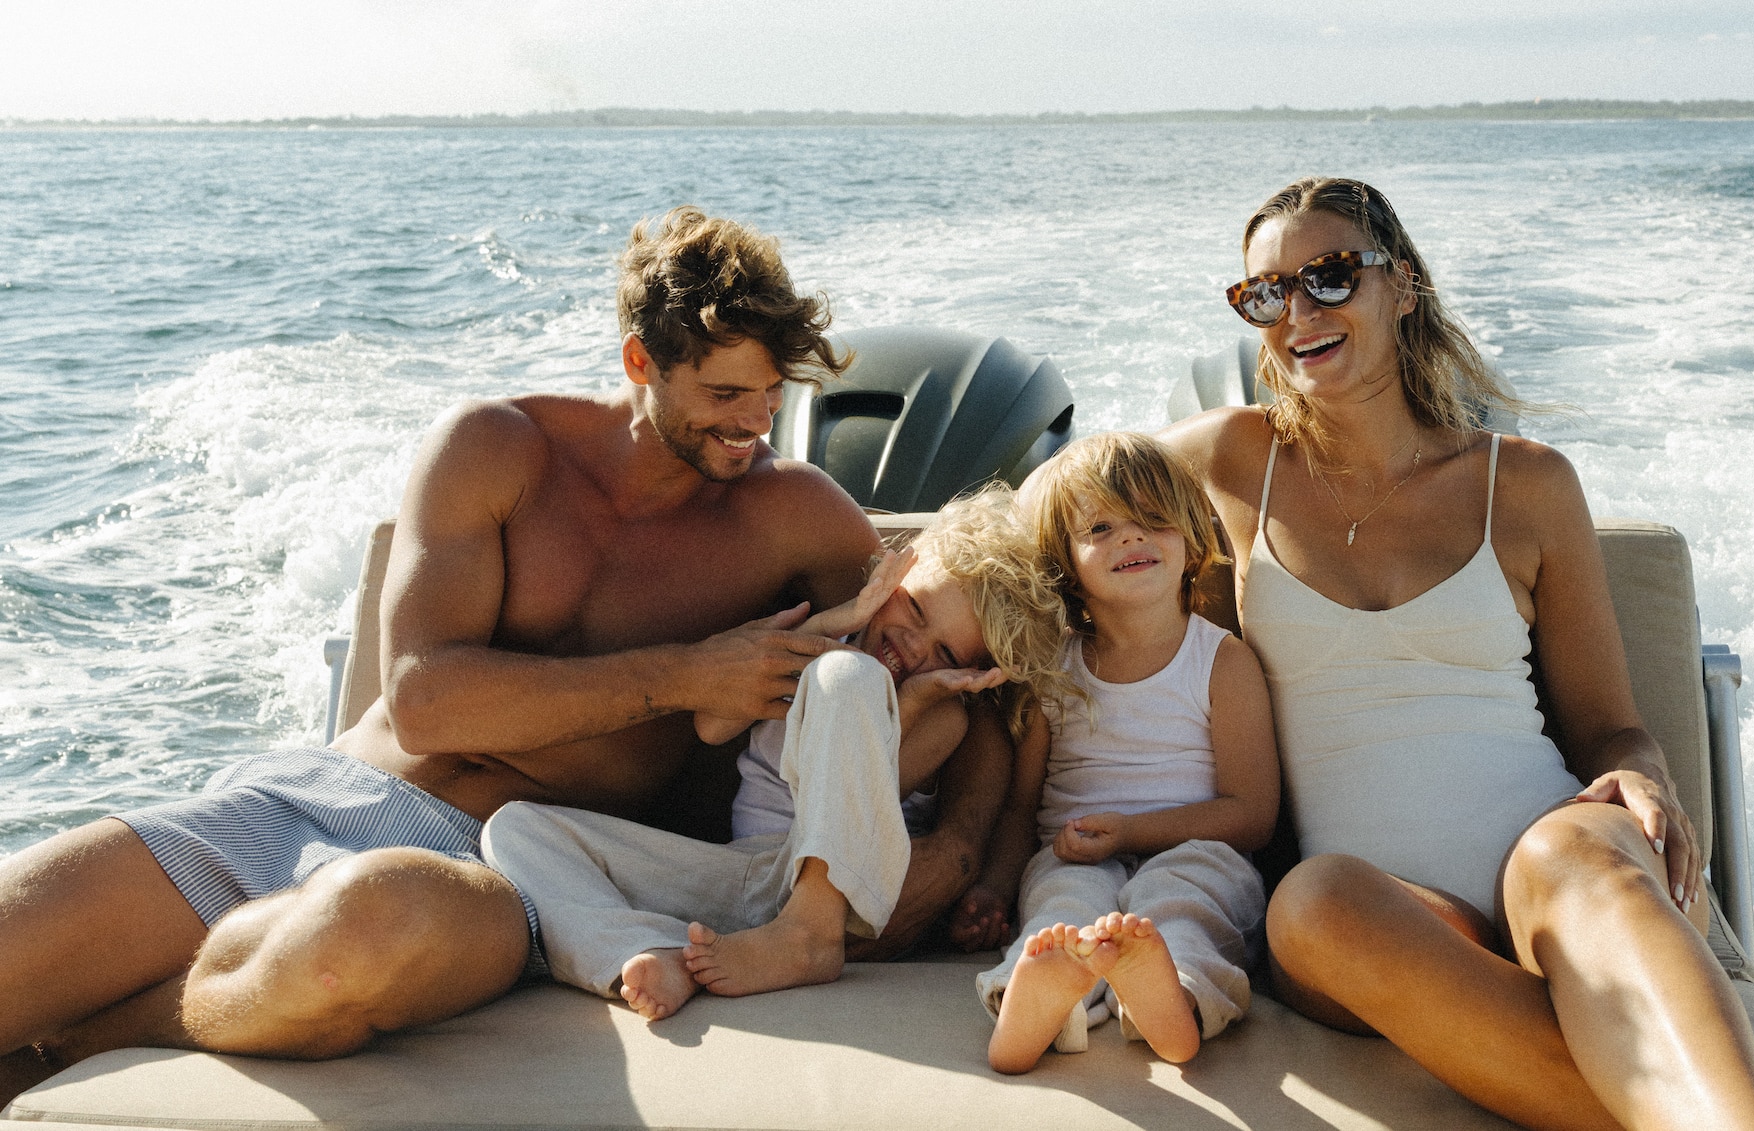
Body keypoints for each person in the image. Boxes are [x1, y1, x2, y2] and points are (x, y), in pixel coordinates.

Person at [0, 208, 1010, 1102]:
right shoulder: (495, 446)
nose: (755, 422)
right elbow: (427, 702)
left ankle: (73, 1048)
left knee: (359, 931)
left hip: (506, 869)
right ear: (637, 362)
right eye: (723, 391)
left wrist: (964, 853)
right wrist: (688, 672)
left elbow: (986, 658)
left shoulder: (793, 519)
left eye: (768, 392)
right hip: (309, 798)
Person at [1161, 177, 1754, 1131]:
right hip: (1381, 913)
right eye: (1265, 293)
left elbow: (1610, 727)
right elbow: (1055, 505)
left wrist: (1648, 775)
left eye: (1328, 277)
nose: (1296, 312)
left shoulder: (1527, 482)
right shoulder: (1230, 457)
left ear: (1402, 285)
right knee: (1309, 899)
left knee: (1568, 847)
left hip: (1563, 874)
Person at [482, 491, 1064, 1021]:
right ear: (895, 571)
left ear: (971, 672)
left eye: (944, 650)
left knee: (850, 676)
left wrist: (906, 700)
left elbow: (855, 802)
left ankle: (807, 937)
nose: (912, 645)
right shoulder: (818, 646)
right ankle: (645, 950)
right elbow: (713, 726)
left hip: (841, 898)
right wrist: (834, 624)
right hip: (742, 880)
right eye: (913, 608)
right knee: (519, 828)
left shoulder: (945, 718)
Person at [977, 431, 1279, 1074]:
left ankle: (1172, 1002)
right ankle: (1030, 1001)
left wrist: (1132, 832)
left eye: (1153, 521)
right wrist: (995, 887)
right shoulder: (1051, 672)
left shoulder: (1221, 661)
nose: (1131, 538)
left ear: (1193, 540)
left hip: (1199, 848)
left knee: (1182, 904)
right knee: (1063, 911)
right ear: (1066, 566)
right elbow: (1019, 809)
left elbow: (1253, 814)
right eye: (1102, 527)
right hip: (1073, 852)